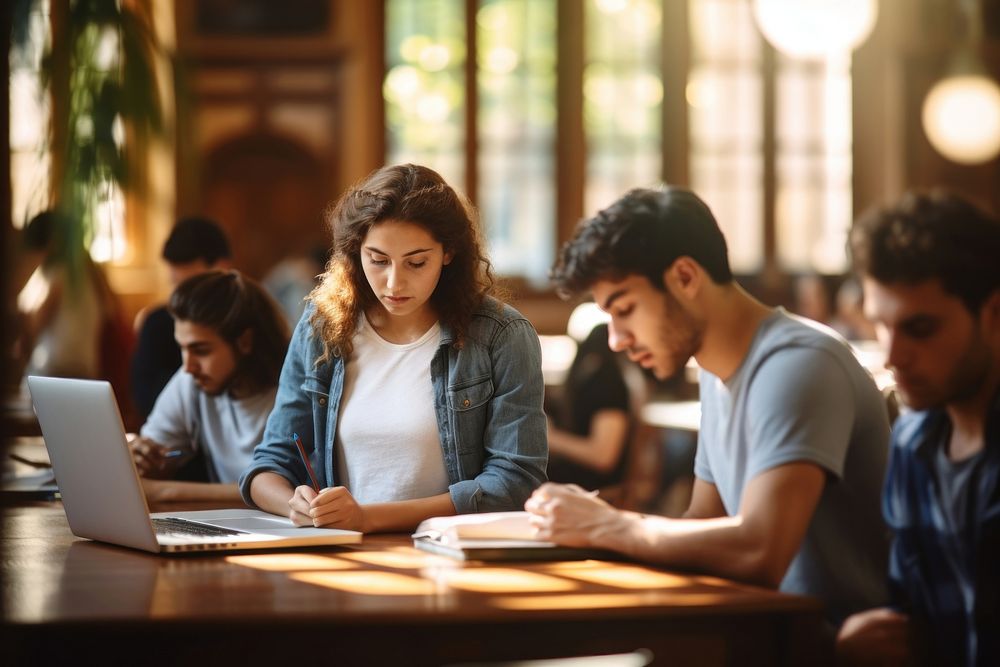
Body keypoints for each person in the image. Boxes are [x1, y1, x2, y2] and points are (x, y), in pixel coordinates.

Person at [525, 186, 890, 627]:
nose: (618, 340)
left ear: (684, 276)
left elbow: (759, 550)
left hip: (830, 645)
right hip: (755, 630)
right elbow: (701, 521)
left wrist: (608, 526)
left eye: (625, 310)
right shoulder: (719, 376)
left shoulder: (799, 363)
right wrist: (585, 525)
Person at [240, 163, 547, 533]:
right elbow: (270, 463)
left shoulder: (501, 334)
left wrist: (369, 518)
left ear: (448, 252)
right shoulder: (322, 326)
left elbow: (515, 483)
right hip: (341, 551)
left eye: (417, 262)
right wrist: (297, 505)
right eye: (378, 260)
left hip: (449, 555)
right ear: (356, 252)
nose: (394, 282)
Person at [837, 192, 1000, 667]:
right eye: (881, 325)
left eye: (921, 328)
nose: (892, 356)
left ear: (993, 314)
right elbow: (909, 623)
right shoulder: (912, 444)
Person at [130, 270, 289, 502]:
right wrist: (142, 460)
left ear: (244, 341)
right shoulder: (193, 381)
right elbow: (150, 465)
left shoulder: (294, 390)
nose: (188, 366)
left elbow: (291, 492)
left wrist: (164, 491)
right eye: (182, 348)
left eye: (201, 351)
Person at [15, 210, 133, 406]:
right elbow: (113, 313)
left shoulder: (55, 274)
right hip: (87, 370)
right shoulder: (95, 274)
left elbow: (34, 323)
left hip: (52, 370)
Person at [130, 217, 232, 420]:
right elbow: (144, 397)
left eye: (190, 286)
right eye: (176, 285)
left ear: (221, 268)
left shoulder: (244, 319)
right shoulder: (157, 323)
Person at [546, 322, 633, 491]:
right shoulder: (604, 376)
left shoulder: (608, 382)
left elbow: (603, 456)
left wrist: (550, 439)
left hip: (595, 489)